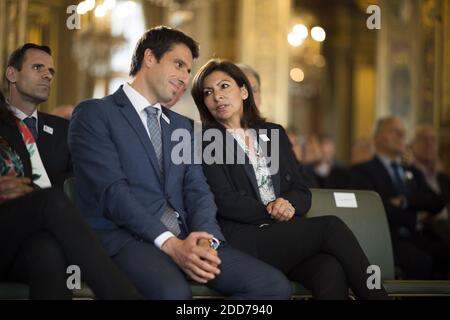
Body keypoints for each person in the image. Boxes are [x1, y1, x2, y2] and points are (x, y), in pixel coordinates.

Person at [68, 26, 291, 300]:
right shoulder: (95, 114)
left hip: (189, 238)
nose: (186, 78)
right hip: (126, 239)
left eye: (188, 70)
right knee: (174, 294)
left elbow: (197, 190)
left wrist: (207, 239)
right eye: (179, 65)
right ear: (149, 58)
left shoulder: (182, 127)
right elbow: (113, 193)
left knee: (273, 286)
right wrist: (170, 244)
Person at [191, 59, 388, 300]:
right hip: (245, 239)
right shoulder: (206, 140)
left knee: (329, 269)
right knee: (330, 226)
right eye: (208, 92)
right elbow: (223, 200)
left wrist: (288, 203)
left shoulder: (274, 133)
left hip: (284, 237)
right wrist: (273, 209)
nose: (217, 97)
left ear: (243, 91)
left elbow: (302, 189)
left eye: (224, 86)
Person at [0, 90, 140, 300]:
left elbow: (34, 181)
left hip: (12, 234)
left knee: (46, 251)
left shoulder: (11, 124)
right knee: (51, 200)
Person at [350, 116, 450, 279]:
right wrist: (415, 217)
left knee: (443, 253)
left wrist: (405, 201)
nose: (402, 136)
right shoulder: (362, 171)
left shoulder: (411, 170)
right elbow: (374, 208)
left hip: (418, 236)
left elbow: (437, 201)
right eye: (395, 131)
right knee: (420, 261)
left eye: (403, 132)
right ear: (377, 138)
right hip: (387, 239)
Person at [5, 43, 71, 189]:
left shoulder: (64, 129)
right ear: (12, 74)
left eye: (51, 71)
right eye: (37, 67)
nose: (48, 75)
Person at [411, 125, 450, 248]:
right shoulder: (406, 173)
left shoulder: (443, 177)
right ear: (412, 145)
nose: (429, 144)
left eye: (433, 140)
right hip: (424, 231)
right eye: (423, 139)